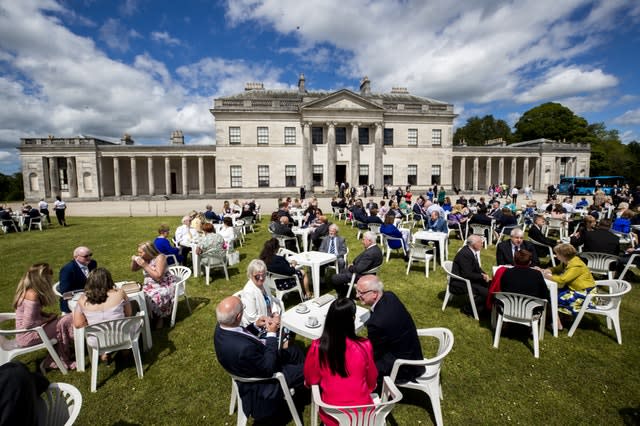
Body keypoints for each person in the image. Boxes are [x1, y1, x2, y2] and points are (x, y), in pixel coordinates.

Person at [214, 295, 305, 425]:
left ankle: (302, 388)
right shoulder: (243, 349)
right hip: (266, 382)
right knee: (307, 367)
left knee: (294, 351)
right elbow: (269, 368)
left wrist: (255, 326)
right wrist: (272, 334)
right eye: (243, 308)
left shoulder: (221, 327)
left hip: (249, 365)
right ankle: (306, 387)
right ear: (238, 317)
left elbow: (241, 334)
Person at [304, 298, 378, 426]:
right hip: (362, 414)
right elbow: (372, 380)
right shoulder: (365, 345)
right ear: (353, 318)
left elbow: (311, 379)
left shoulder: (318, 346)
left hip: (332, 415)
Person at [355, 275, 424, 386]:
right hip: (413, 353)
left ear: (374, 293)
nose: (357, 295)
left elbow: (375, 352)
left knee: (356, 365)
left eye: (361, 293)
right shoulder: (390, 296)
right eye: (357, 291)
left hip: (403, 367)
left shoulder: (376, 322)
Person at [13, 263, 75, 371]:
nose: (50, 281)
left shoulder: (28, 291)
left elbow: (33, 313)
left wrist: (46, 315)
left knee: (65, 320)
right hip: (28, 336)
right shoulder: (32, 295)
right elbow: (28, 324)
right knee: (67, 320)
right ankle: (58, 359)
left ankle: (60, 355)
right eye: (49, 279)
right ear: (42, 279)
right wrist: (49, 319)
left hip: (26, 333)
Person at [72, 267, 132, 361]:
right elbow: (128, 314)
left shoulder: (82, 299)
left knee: (101, 329)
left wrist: (93, 324)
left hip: (97, 340)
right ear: (109, 280)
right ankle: (125, 350)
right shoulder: (120, 293)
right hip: (122, 335)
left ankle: (104, 352)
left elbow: (78, 324)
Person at [540, 243, 596, 328]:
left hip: (584, 293)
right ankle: (560, 318)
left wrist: (547, 276)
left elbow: (563, 280)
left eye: (557, 254)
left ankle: (557, 322)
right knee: (550, 294)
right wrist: (549, 270)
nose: (556, 255)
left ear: (563, 255)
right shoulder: (567, 262)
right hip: (575, 289)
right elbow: (557, 269)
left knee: (552, 297)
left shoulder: (576, 266)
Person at [131, 241, 175, 328]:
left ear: (148, 251)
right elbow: (133, 269)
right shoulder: (146, 258)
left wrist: (144, 265)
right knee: (137, 295)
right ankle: (146, 317)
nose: (139, 254)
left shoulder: (160, 257)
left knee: (154, 297)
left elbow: (158, 277)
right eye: (138, 252)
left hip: (163, 285)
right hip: (150, 285)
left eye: (141, 252)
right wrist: (134, 261)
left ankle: (159, 317)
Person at [331, 231, 383, 298]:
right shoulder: (375, 249)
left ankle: (342, 295)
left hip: (361, 275)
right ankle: (344, 291)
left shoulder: (370, 253)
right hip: (366, 272)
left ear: (370, 241)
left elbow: (358, 269)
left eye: (364, 239)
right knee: (342, 271)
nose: (362, 241)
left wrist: (350, 267)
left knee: (334, 278)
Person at [451, 235, 491, 316]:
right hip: (460, 283)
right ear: (473, 244)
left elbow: (477, 268)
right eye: (480, 242)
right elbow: (466, 274)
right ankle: (467, 309)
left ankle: (482, 307)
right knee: (487, 292)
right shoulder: (465, 254)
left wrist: (484, 274)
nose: (482, 244)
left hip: (468, 280)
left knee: (491, 285)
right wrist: (482, 277)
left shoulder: (470, 251)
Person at [240, 259, 283, 327]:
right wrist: (271, 321)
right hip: (258, 326)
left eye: (264, 275)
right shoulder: (249, 292)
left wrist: (276, 314)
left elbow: (271, 300)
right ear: (250, 275)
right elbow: (252, 318)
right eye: (257, 276)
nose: (261, 278)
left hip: (270, 319)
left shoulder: (264, 284)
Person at [58, 246, 97, 313]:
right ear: (76, 257)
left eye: (90, 255)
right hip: (74, 300)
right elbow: (64, 290)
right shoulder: (68, 270)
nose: (89, 258)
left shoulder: (93, 263)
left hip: (91, 297)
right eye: (86, 256)